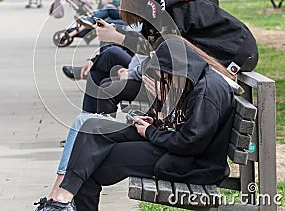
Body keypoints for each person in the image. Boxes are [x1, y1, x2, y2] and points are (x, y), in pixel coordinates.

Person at [33, 37, 236, 211]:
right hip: (175, 150)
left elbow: (190, 143)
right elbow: (183, 126)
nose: (164, 83)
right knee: (91, 127)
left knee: (93, 167)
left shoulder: (207, 92)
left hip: (191, 165)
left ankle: (60, 202)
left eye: (164, 78)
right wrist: (155, 123)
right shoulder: (192, 81)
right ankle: (62, 199)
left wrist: (150, 132)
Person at [66, 0, 258, 115]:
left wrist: (120, 41)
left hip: (235, 54)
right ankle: (89, 133)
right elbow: (153, 47)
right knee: (109, 79)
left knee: (109, 88)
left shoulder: (166, 6)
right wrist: (118, 38)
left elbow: (162, 50)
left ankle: (94, 139)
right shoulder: (160, 1)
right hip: (226, 52)